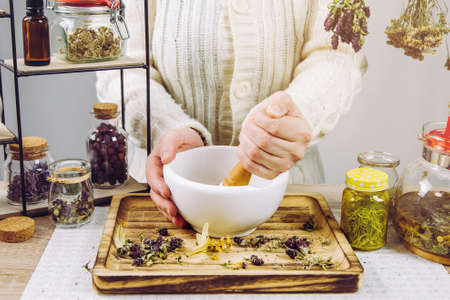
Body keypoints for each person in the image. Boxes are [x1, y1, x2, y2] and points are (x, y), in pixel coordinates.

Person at [96, 0, 367, 227]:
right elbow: (120, 64)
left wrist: (299, 111)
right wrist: (164, 127)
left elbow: (339, 56)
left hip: (289, 196)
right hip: (167, 194)